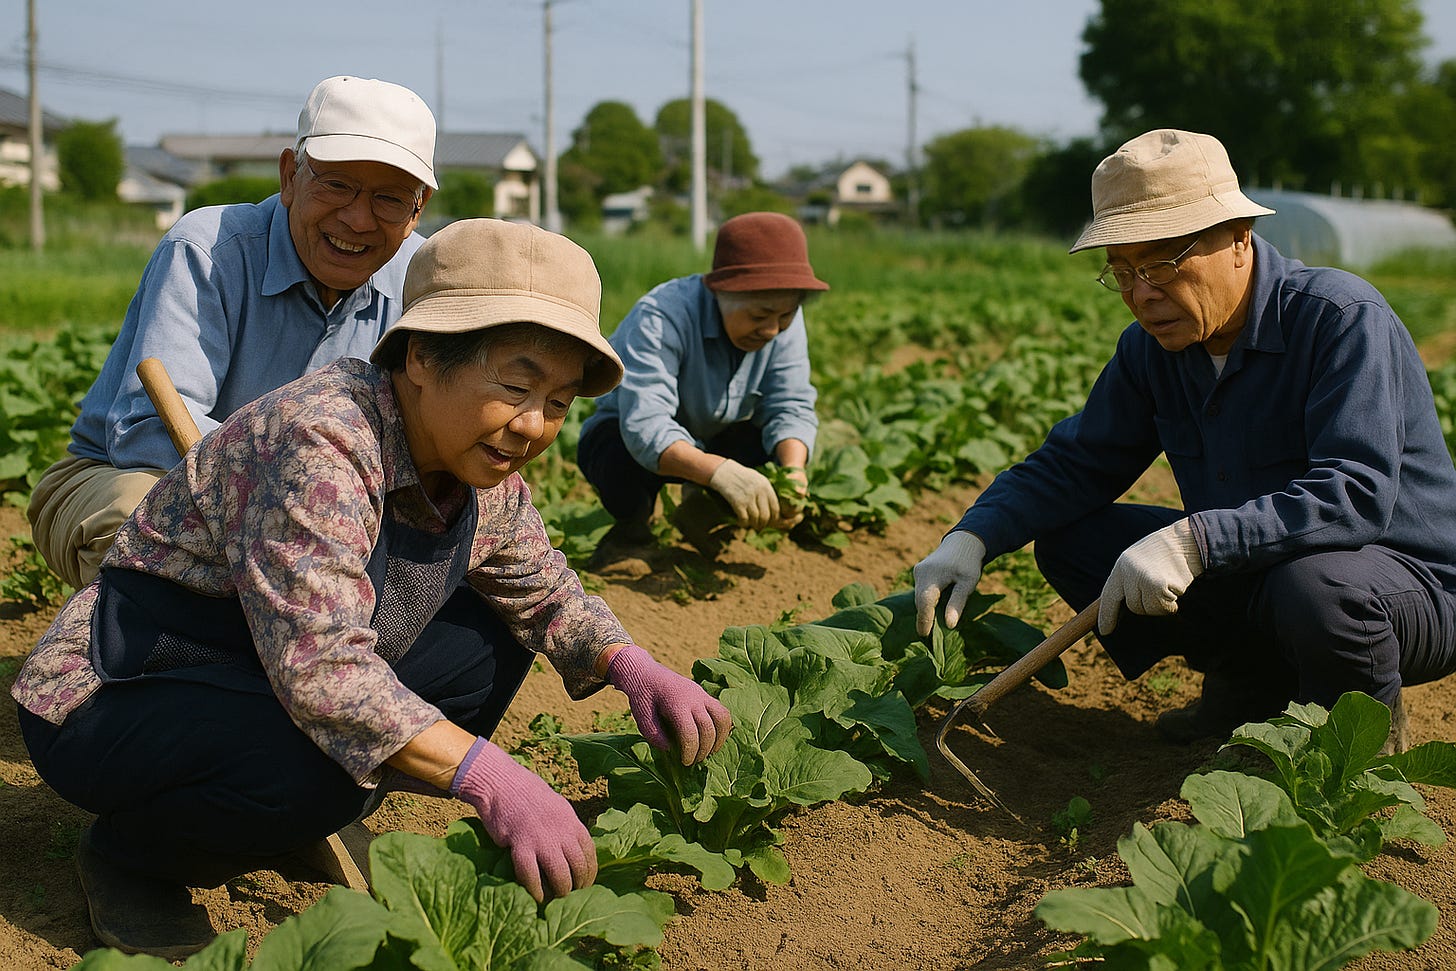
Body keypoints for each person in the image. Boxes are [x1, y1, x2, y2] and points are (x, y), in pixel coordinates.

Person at [12, 218, 732, 960]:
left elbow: (544, 591)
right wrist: (488, 774)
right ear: (421, 355)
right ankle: (135, 858)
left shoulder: (479, 466)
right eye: (516, 386)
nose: (532, 424)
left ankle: (270, 812)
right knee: (318, 768)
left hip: (250, 676)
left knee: (492, 637)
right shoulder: (323, 438)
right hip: (117, 690)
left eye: (558, 400)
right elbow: (322, 672)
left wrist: (630, 664)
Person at [912, 128, 1456, 749]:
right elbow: (1078, 464)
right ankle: (1249, 683)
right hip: (1264, 574)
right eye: (1122, 272)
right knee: (1074, 541)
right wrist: (973, 534)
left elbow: (1355, 495)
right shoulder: (1153, 352)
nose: (1143, 294)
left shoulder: (1338, 319)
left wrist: (1199, 540)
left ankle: (1359, 740)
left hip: (1404, 587)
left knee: (1317, 587)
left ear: (1239, 238)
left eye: (1163, 262)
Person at [28, 75, 438, 590]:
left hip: (331, 512)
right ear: (290, 176)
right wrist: (300, 492)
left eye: (389, 199)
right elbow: (150, 436)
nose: (357, 219)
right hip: (124, 476)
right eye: (336, 184)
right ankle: (148, 661)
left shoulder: (422, 284)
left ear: (416, 209)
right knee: (141, 519)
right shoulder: (208, 252)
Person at [577, 211, 828, 563]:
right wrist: (717, 472)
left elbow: (790, 404)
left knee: (770, 446)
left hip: (716, 435)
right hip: (632, 444)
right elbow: (645, 427)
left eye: (784, 316)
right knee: (612, 450)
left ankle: (702, 513)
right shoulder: (662, 316)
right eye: (759, 316)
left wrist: (793, 474)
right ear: (721, 290)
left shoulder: (783, 316)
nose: (772, 329)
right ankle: (631, 536)